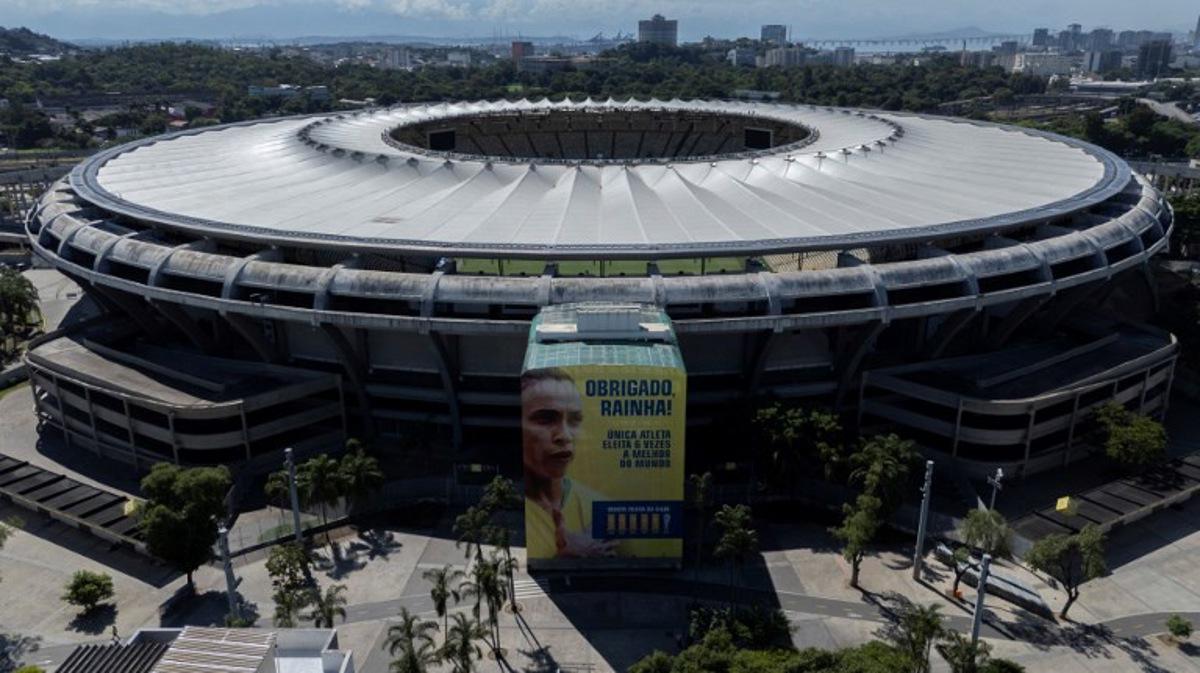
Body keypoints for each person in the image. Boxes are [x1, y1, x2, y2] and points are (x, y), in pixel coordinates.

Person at [521, 368, 616, 559]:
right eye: (546, 419)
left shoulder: (600, 508)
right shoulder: (505, 510)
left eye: (574, 420)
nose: (564, 436)